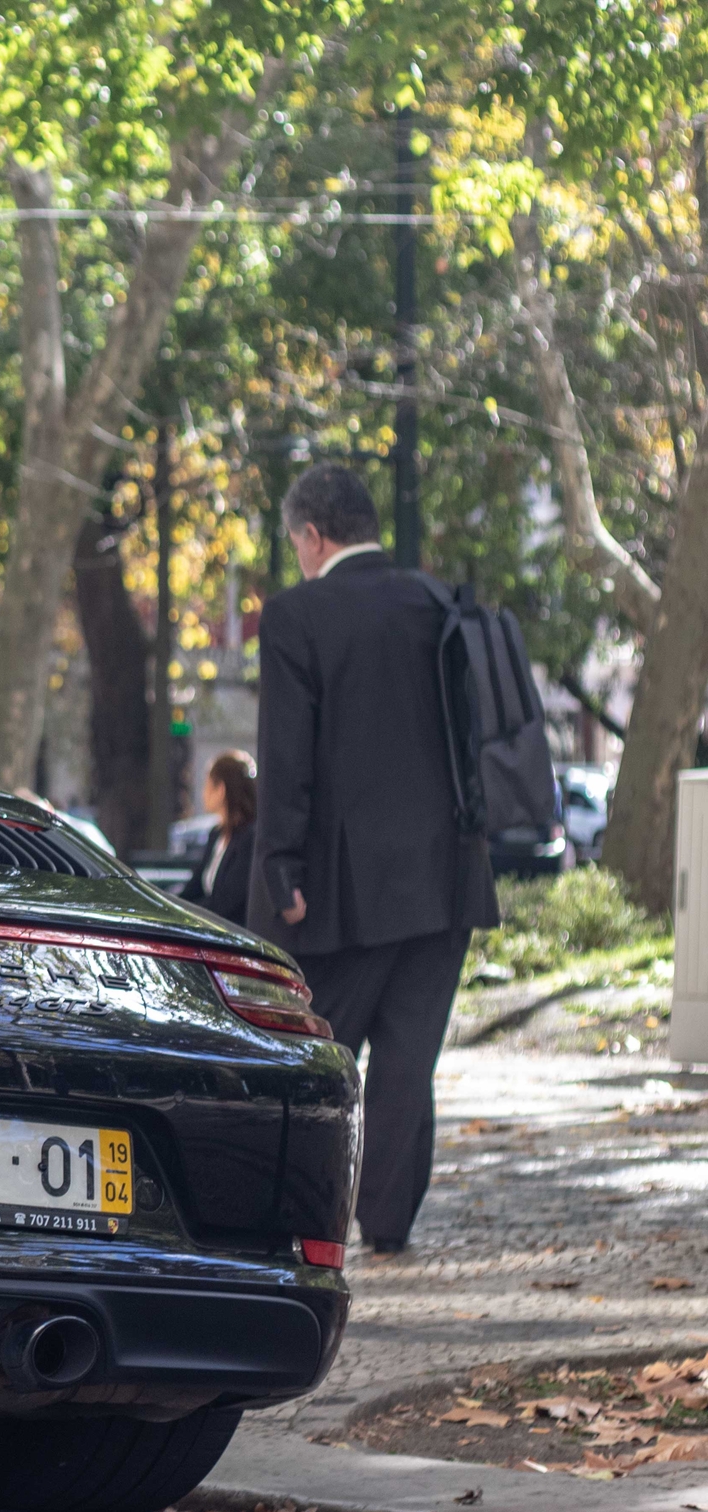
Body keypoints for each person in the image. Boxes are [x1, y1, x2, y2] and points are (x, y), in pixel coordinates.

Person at [249, 464, 498, 1255]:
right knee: (407, 1059)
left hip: (340, 886)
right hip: (446, 876)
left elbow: (286, 758)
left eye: (296, 543)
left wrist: (279, 868)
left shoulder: (297, 615)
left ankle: (303, 1219)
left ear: (313, 535)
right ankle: (389, 1223)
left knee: (321, 1055)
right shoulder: (437, 602)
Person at [181, 750, 256, 925]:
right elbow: (195, 886)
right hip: (207, 925)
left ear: (220, 789)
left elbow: (227, 903)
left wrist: (186, 913)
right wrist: (167, 905)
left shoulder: (249, 839)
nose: (203, 794)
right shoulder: (216, 835)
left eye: (207, 786)